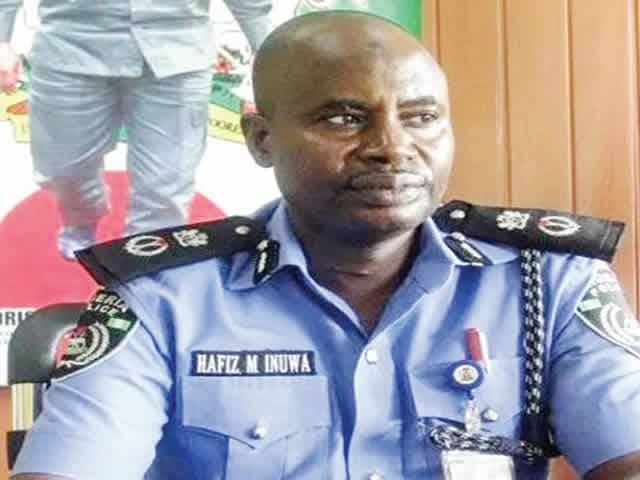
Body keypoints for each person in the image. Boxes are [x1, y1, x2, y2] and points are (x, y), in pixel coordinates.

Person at [10, 11, 640, 480]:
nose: (392, 147)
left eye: (421, 117)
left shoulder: (548, 283)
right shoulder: (159, 299)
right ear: (262, 139)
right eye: (344, 118)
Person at [0, 0, 272, 260]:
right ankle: (81, 216)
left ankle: (143, 261)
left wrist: (265, 46)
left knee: (166, 182)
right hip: (70, 47)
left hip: (176, 50)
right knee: (63, 170)